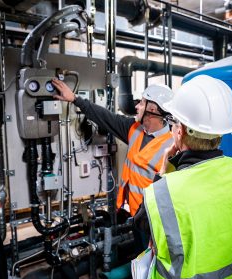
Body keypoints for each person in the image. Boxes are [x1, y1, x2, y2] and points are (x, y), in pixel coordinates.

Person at [142, 75, 232, 279]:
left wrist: (164, 170)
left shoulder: (161, 193)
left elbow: (140, 235)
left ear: (179, 132)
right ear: (220, 133)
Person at [52, 79, 173, 215]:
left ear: (152, 109)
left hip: (153, 220)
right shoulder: (134, 129)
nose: (137, 106)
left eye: (142, 102)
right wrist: (75, 99)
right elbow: (106, 117)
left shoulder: (172, 147)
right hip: (134, 214)